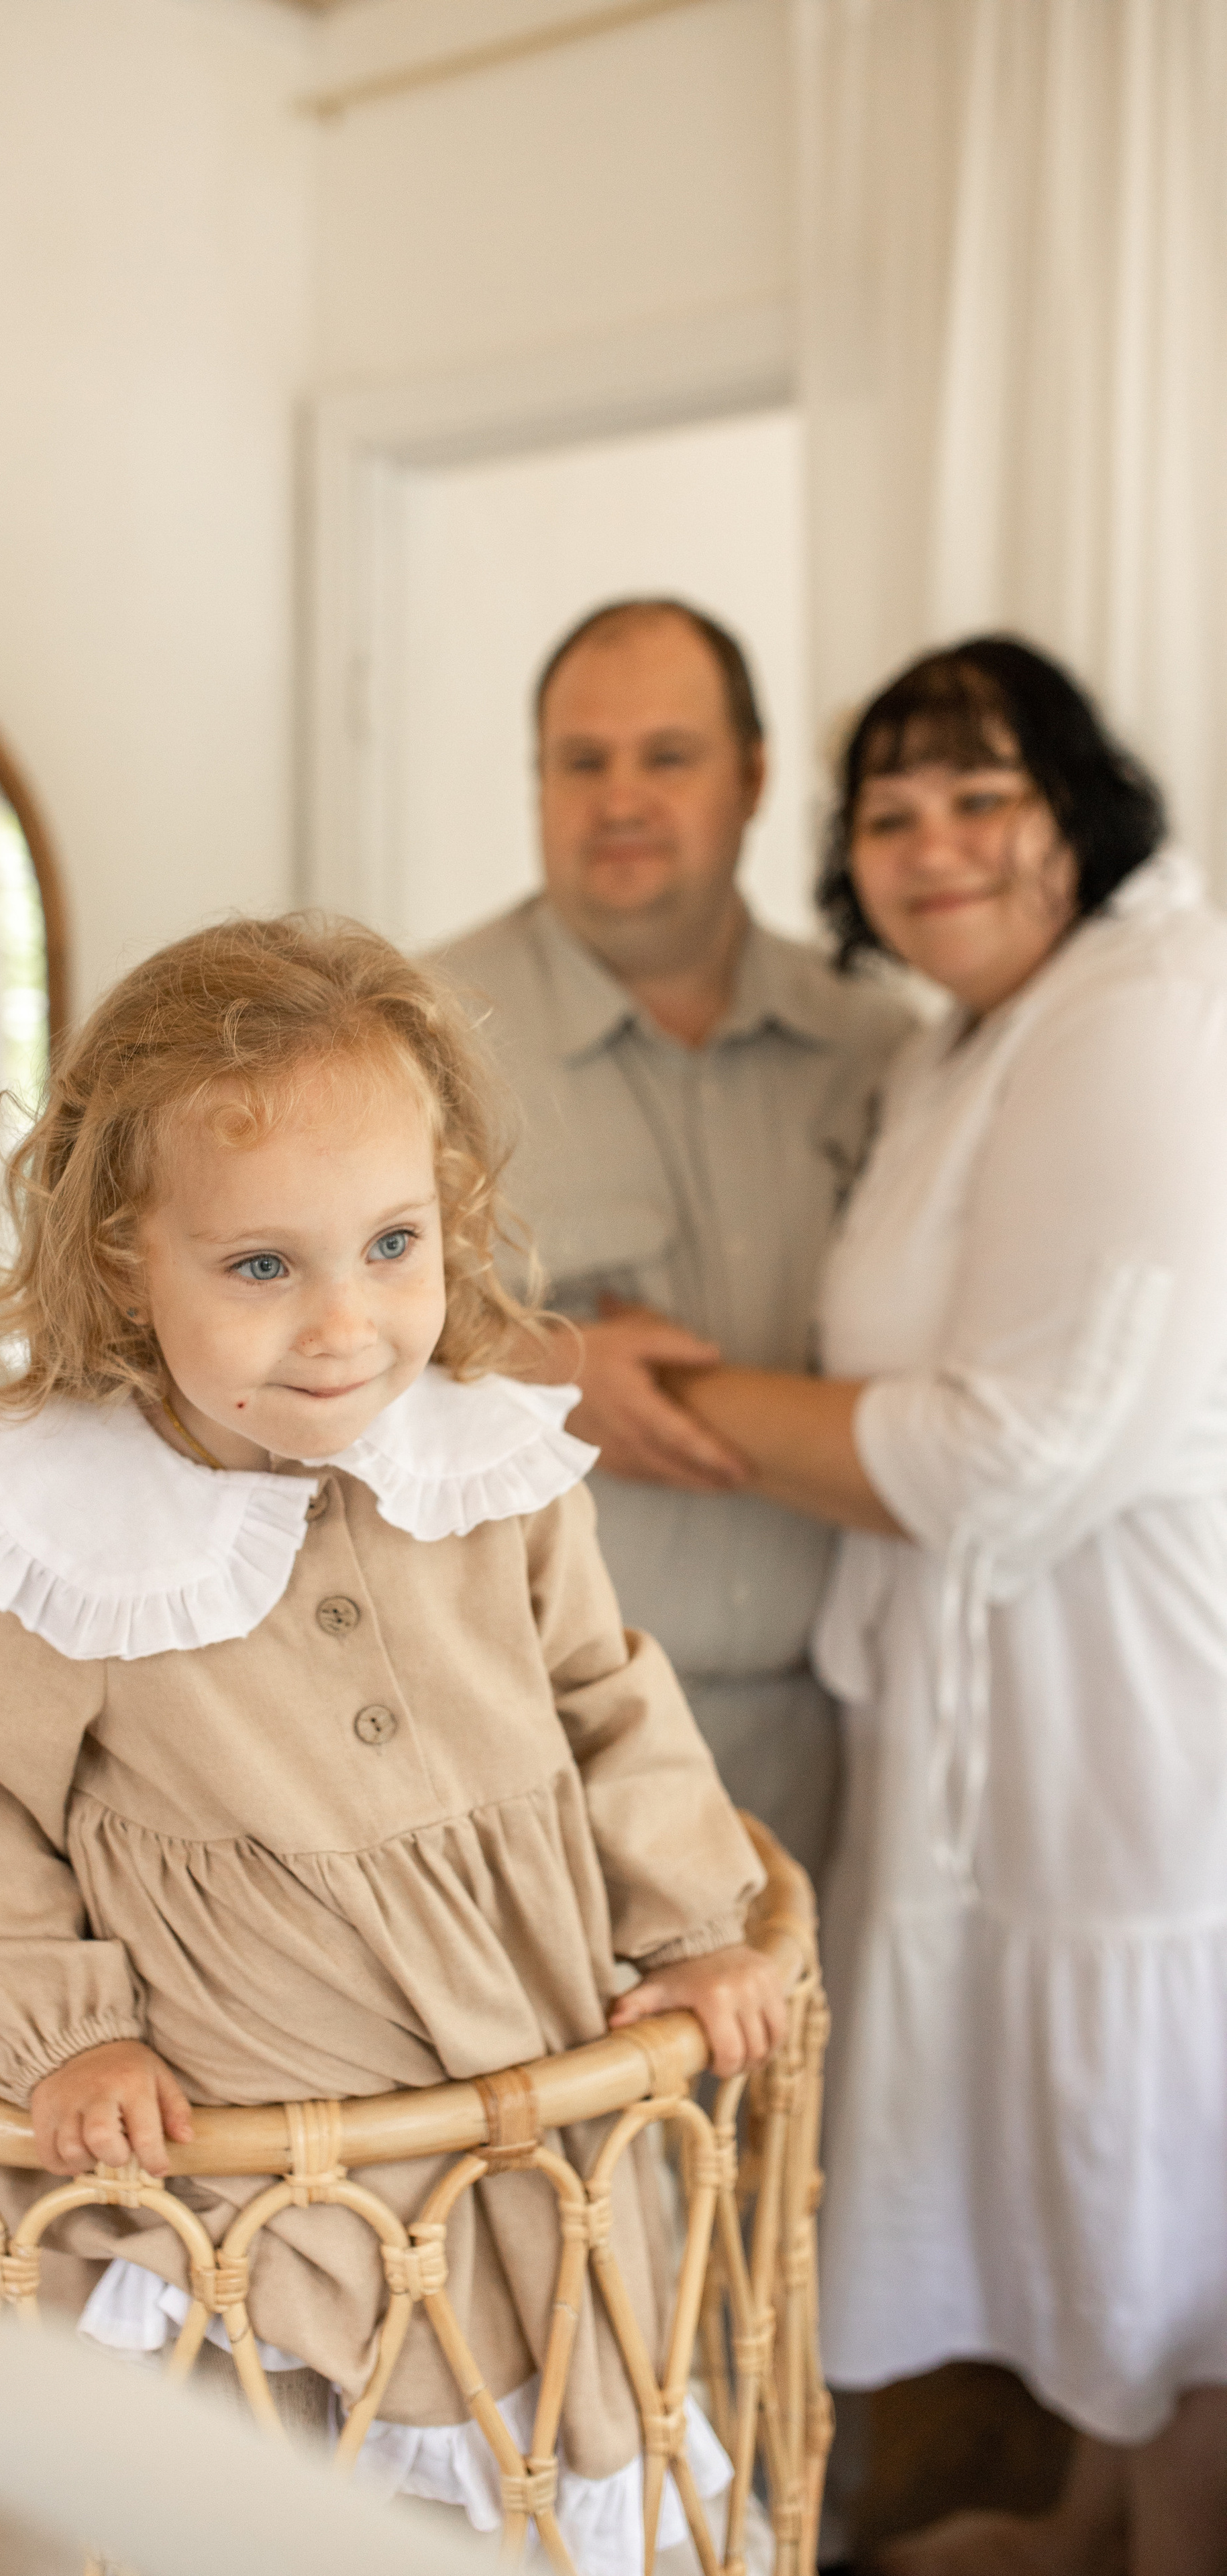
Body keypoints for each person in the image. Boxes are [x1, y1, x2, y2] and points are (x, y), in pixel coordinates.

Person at [0, 915, 784, 2573]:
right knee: (285, 2496)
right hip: (258, 2165)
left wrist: (690, 1927)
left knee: (519, 2472)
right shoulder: (78, 1530)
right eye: (259, 1265)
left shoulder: (490, 1470)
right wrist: (68, 2034)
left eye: (388, 1242)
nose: (342, 1324)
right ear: (120, 1266)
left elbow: (606, 1697)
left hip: (509, 2106)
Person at [645, 637, 1227, 2573]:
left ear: (1081, 807)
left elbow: (1020, 1448)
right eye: (889, 812)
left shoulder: (1146, 1008)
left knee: (1150, 2137)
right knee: (1075, 2158)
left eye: (984, 795)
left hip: (1129, 1703)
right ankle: (1090, 2511)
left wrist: (661, 1400)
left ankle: (1174, 2540)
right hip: (986, 1702)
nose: (935, 843)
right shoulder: (970, 1039)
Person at [438, 600, 911, 1883]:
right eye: (581, 762)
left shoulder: (883, 1049)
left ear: (755, 776)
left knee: (830, 2089)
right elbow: (283, 1362)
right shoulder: (419, 1039)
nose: (620, 798)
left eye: (668, 756)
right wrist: (517, 1369)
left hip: (845, 1743)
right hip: (533, 1755)